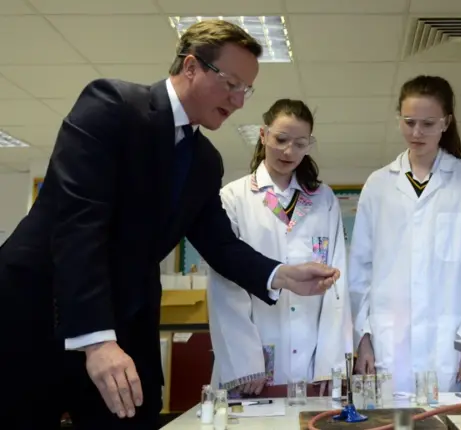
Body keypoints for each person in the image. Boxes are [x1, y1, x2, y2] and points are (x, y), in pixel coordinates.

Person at [0, 20, 339, 430]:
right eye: (231, 83)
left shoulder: (203, 161)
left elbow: (220, 245)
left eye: (245, 90)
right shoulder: (111, 107)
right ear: (192, 66)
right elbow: (78, 225)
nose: (238, 101)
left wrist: (282, 275)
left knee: (135, 417)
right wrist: (96, 339)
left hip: (127, 315)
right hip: (38, 310)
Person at [349, 75, 461, 393]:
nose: (417, 132)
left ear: (446, 123)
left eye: (428, 123)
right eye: (409, 121)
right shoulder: (378, 184)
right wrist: (363, 337)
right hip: (388, 342)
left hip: (451, 344)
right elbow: (359, 269)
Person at [207, 99, 352, 397]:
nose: (289, 151)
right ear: (263, 135)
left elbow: (339, 281)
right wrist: (244, 361)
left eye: (300, 144)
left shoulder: (323, 199)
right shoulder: (234, 197)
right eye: (281, 140)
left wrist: (331, 361)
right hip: (255, 360)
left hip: (313, 359)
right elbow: (225, 282)